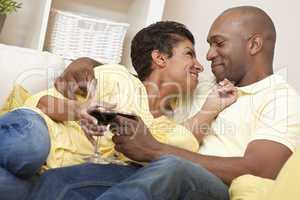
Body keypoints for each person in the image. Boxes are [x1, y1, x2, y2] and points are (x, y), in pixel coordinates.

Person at [27, 5, 300, 200]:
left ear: (253, 45)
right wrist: (88, 64)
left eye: (218, 43)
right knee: (60, 181)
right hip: (153, 170)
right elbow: (147, 80)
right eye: (206, 46)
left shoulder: (280, 99)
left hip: (210, 187)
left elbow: (261, 169)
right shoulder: (205, 87)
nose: (207, 56)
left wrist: (156, 149)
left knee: (173, 168)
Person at [0, 21, 236, 200]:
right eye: (189, 54)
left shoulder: (162, 127)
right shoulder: (118, 78)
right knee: (27, 151)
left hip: (41, 175)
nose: (199, 65)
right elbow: (45, 104)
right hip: (34, 131)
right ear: (160, 58)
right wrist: (80, 109)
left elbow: (178, 153)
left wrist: (212, 106)